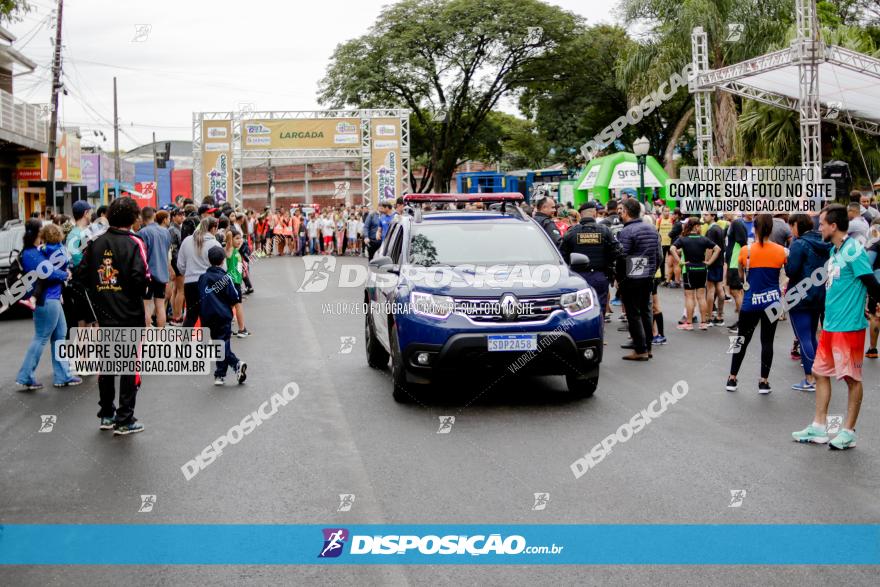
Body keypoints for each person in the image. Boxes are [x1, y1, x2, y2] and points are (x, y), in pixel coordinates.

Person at [792, 204, 880, 449]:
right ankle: (819, 427)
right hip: (830, 326)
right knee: (820, 373)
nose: (819, 227)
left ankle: (848, 431)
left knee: (851, 378)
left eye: (822, 223)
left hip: (848, 327)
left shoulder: (853, 250)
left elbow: (871, 283)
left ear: (833, 225)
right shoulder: (835, 251)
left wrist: (871, 303)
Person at [78, 197, 149, 435]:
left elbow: (81, 276)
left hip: (104, 315)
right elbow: (142, 280)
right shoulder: (134, 242)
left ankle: (107, 414)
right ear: (132, 218)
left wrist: (99, 297)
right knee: (129, 366)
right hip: (130, 315)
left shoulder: (94, 242)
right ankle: (125, 418)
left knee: (108, 365)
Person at [15, 221, 82, 390]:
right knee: (42, 337)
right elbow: (47, 272)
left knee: (59, 334)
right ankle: (26, 376)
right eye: (40, 233)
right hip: (47, 299)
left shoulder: (36, 252)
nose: (42, 237)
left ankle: (62, 375)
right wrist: (65, 274)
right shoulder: (31, 254)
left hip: (51, 298)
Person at [725, 214, 787, 394]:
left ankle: (732, 378)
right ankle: (763, 381)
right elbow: (786, 271)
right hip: (772, 302)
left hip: (750, 302)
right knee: (767, 342)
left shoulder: (746, 251)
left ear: (756, 229)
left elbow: (742, 276)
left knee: (741, 340)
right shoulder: (781, 251)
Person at [784, 213, 832, 391]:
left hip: (800, 296)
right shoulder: (824, 242)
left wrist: (785, 262)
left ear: (797, 225)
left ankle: (810, 378)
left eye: (791, 225)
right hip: (819, 295)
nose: (791, 229)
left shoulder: (799, 244)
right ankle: (819, 374)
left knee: (804, 338)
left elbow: (791, 270)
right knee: (811, 336)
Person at [616, 198, 662, 361]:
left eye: (621, 210)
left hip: (632, 277)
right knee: (645, 311)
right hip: (648, 276)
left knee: (633, 313)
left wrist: (619, 279)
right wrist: (652, 271)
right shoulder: (651, 228)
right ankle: (647, 348)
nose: (620, 213)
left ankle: (640, 350)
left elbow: (622, 257)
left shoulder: (626, 231)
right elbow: (659, 255)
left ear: (627, 212)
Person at [560, 201, 622, 314]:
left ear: (581, 215)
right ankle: (599, 329)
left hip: (578, 277)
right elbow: (617, 250)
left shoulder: (571, 232)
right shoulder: (605, 231)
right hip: (600, 275)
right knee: (600, 309)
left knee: (579, 311)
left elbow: (562, 255)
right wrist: (607, 260)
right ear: (594, 214)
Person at [199, 247, 247, 386]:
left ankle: (220, 374)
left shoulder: (203, 278)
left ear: (209, 260)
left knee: (218, 344)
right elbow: (235, 297)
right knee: (222, 343)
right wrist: (228, 309)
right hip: (223, 315)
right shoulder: (226, 278)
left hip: (208, 316)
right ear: (223, 260)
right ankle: (236, 363)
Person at [670, 218, 721, 331]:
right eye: (700, 225)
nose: (701, 227)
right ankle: (703, 323)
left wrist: (680, 261)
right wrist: (709, 262)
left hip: (689, 269)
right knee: (701, 297)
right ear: (696, 226)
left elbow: (672, 248)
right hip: (702, 269)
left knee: (689, 297)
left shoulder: (683, 239)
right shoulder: (703, 239)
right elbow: (717, 249)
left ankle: (689, 323)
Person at [177, 217, 222, 328]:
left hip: (190, 283)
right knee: (206, 315)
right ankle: (205, 344)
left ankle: (183, 344)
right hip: (208, 283)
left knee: (191, 316)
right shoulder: (214, 244)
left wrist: (188, 272)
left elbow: (180, 266)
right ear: (213, 228)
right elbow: (222, 268)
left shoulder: (187, 241)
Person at [138, 207, 172, 328]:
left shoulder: (142, 233)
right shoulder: (166, 232)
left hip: (148, 274)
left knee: (146, 306)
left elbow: (141, 255)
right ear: (153, 216)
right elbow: (167, 251)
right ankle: (160, 338)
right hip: (162, 273)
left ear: (142, 217)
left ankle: (147, 336)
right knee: (160, 306)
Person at [724, 211, 749, 332]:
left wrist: (742, 261)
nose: (724, 213)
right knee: (736, 292)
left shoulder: (737, 224)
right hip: (733, 263)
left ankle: (742, 323)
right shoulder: (733, 224)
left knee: (736, 292)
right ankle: (741, 321)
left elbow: (743, 243)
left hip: (735, 263)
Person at [225, 227, 250, 337]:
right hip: (232, 282)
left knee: (230, 307)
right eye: (237, 238)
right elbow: (229, 235)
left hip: (236, 281)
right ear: (231, 240)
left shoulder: (236, 251)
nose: (240, 240)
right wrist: (230, 231)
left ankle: (227, 329)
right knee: (238, 305)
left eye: (240, 238)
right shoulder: (229, 249)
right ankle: (242, 329)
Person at [865, 218, 880, 358]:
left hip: (878, 283)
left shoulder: (875, 245)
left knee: (876, 317)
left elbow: (867, 265)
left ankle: (873, 349)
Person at [168, 207, 186, 326]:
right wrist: (176, 266)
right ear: (173, 216)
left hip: (176, 263)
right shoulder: (173, 230)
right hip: (176, 262)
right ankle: (177, 317)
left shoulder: (177, 228)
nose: (181, 216)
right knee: (180, 290)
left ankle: (175, 315)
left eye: (183, 214)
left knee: (176, 290)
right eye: (179, 215)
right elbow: (174, 250)